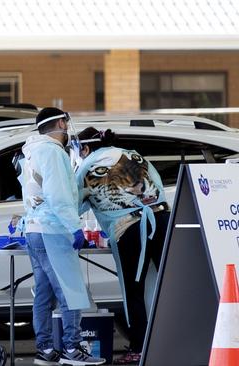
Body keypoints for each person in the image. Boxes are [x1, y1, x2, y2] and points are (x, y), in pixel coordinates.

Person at [74, 127, 170, 365]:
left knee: (133, 291)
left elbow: (73, 205)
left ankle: (139, 347)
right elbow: (159, 189)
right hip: (162, 220)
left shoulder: (88, 166)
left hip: (130, 227)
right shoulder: (134, 154)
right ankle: (178, 340)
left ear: (85, 148)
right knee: (169, 285)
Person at [19, 108, 105, 366]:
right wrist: (74, 227)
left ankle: (45, 349)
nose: (68, 129)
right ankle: (72, 348)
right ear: (60, 122)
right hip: (54, 230)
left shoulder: (32, 151)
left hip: (34, 230)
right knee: (70, 292)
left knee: (44, 294)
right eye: (66, 123)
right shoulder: (54, 152)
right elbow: (58, 196)